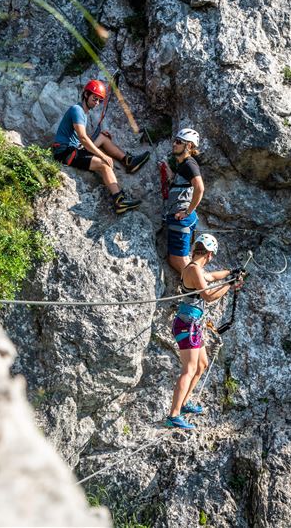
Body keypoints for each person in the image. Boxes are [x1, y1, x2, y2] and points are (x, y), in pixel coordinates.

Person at [164, 234, 244, 430]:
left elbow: (212, 276)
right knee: (189, 369)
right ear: (209, 254)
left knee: (201, 365)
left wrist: (231, 272)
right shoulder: (193, 270)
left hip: (192, 324)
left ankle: (184, 404)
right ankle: (173, 415)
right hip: (186, 324)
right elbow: (208, 295)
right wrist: (229, 284)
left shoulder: (194, 268)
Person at [53, 79, 150, 214]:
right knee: (104, 164)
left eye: (99, 100)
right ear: (86, 94)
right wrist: (103, 155)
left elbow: (81, 140)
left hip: (73, 148)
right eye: (95, 98)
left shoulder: (82, 112)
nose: (97, 103)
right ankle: (119, 200)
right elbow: (82, 137)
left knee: (103, 137)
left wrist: (98, 137)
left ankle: (129, 161)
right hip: (65, 152)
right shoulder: (77, 110)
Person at [166, 128, 205, 273]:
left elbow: (199, 188)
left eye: (178, 142)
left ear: (188, 146)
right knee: (176, 259)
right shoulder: (183, 165)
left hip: (181, 218)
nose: (174, 144)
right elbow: (181, 185)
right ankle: (198, 285)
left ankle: (201, 290)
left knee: (178, 259)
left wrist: (187, 212)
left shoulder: (189, 164)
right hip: (179, 217)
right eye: (174, 141)